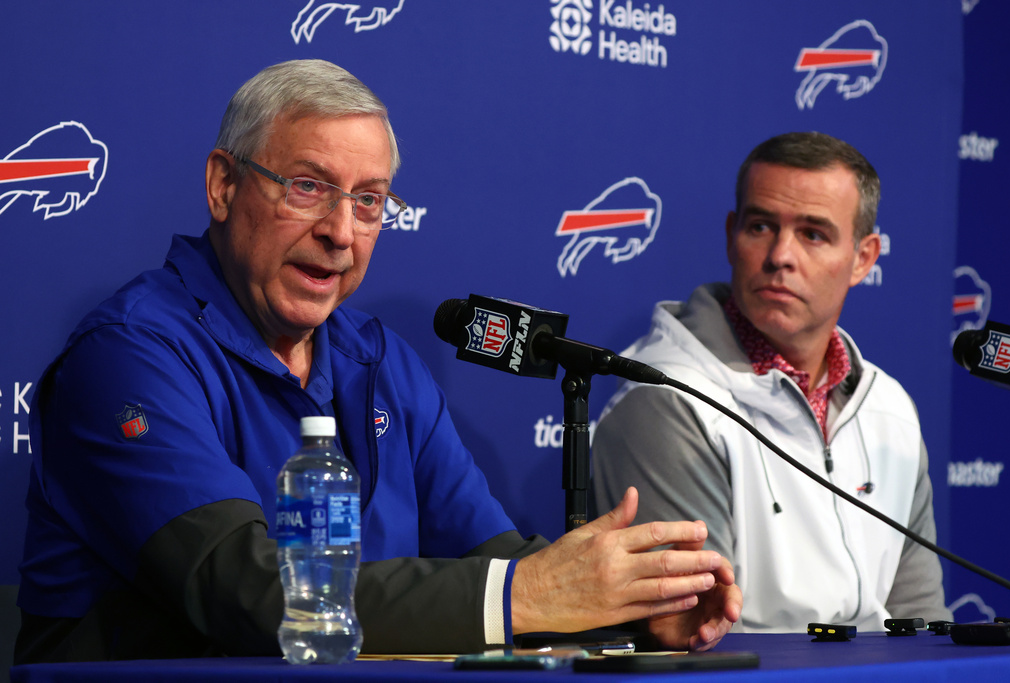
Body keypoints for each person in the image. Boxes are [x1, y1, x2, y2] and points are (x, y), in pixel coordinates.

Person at [14, 59, 741, 664]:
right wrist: (536, 593)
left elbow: (495, 558)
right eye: (308, 187)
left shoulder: (380, 360)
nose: (340, 232)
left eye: (369, 202)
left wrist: (634, 610)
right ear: (223, 186)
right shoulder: (129, 355)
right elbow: (257, 596)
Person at [591, 131, 951, 633]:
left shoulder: (890, 408)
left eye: (813, 234)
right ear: (731, 235)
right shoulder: (669, 400)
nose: (780, 255)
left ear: (864, 259)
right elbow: (703, 636)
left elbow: (923, 624)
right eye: (761, 226)